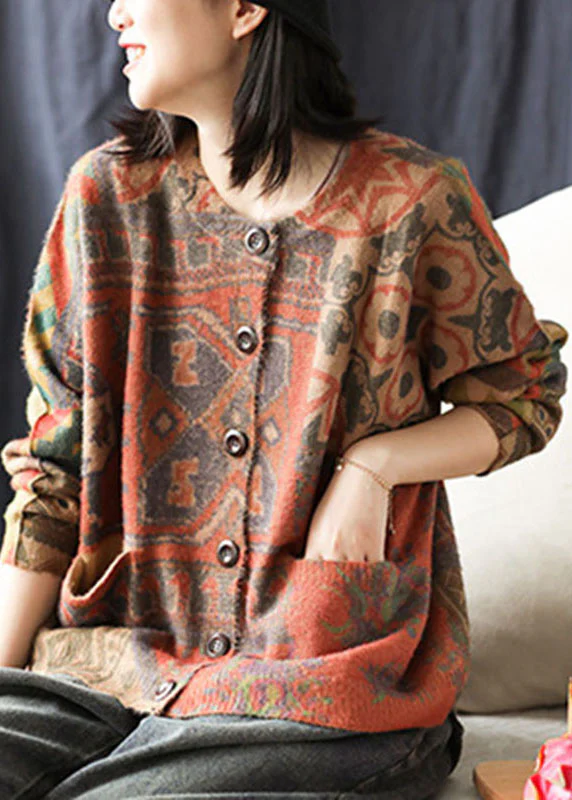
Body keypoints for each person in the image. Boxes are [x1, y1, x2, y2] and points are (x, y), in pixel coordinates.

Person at [0, 1, 568, 798]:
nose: (115, 12)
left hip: (322, 690)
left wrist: (376, 466)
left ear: (243, 8)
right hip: (108, 669)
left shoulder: (411, 202)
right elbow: (55, 473)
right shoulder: (106, 201)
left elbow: (526, 391)